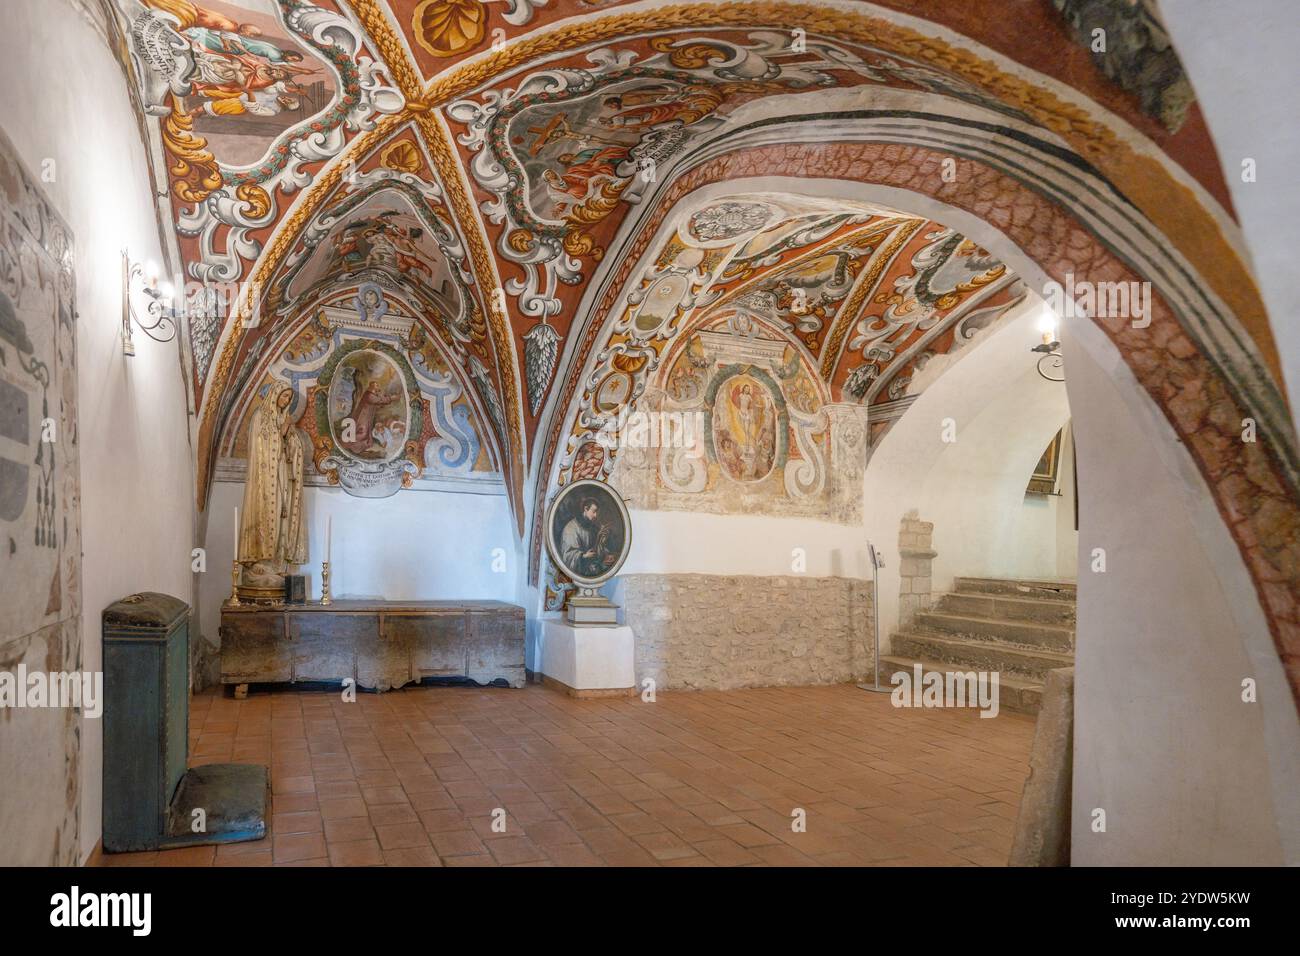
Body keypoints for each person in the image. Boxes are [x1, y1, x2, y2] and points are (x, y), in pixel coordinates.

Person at [560, 497, 611, 578]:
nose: (596, 515)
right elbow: (567, 556)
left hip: (593, 569)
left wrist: (602, 541)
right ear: (586, 509)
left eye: (597, 512)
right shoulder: (571, 528)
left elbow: (595, 551)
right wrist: (583, 556)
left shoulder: (593, 527)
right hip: (578, 573)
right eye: (594, 511)